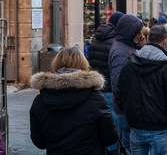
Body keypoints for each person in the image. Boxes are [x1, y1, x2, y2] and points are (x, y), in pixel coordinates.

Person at [30, 47, 118, 154]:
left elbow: (39, 142)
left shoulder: (40, 101)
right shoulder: (96, 99)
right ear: (83, 63)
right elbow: (109, 139)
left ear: (56, 63)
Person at [116, 25, 167, 154]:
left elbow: (119, 92)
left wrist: (129, 114)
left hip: (137, 125)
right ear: (165, 40)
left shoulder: (130, 62)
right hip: (159, 126)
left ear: (148, 38)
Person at [108, 14, 146, 153]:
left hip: (127, 107)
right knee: (129, 145)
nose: (141, 34)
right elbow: (119, 84)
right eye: (138, 31)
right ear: (130, 32)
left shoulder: (127, 46)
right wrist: (129, 108)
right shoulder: (121, 51)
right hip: (126, 110)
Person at [87, 11, 123, 154]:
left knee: (103, 120)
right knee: (113, 123)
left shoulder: (97, 39)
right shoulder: (115, 43)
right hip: (109, 87)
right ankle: (113, 150)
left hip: (97, 86)